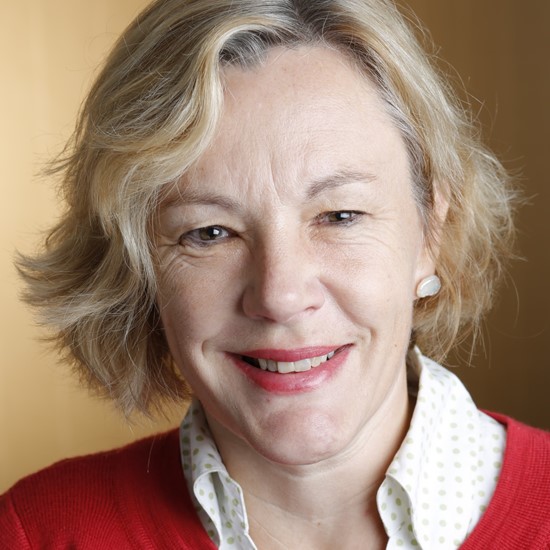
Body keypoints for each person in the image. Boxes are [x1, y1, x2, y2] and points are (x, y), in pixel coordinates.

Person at [1, 0, 549, 548]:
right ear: (137, 265)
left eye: (339, 216)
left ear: (431, 233)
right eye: (210, 232)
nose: (280, 295)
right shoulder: (36, 534)